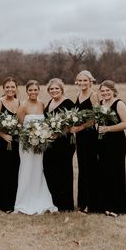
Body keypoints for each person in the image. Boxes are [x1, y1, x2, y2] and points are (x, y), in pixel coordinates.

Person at [14, 80, 58, 215]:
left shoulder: (42, 104)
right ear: (26, 91)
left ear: (39, 90)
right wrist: (29, 136)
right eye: (30, 90)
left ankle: (41, 199)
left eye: (35, 90)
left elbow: (44, 124)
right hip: (26, 144)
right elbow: (19, 126)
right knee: (27, 168)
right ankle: (23, 202)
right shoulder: (23, 106)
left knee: (38, 169)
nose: (33, 92)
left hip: (40, 144)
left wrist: (41, 136)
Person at [98, 80, 126, 217]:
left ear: (113, 91)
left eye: (107, 91)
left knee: (116, 173)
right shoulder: (101, 104)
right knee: (106, 174)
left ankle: (119, 207)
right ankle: (108, 205)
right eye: (103, 91)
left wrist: (107, 128)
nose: (105, 93)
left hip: (116, 143)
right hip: (103, 143)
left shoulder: (119, 103)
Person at [43, 78, 75, 211]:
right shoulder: (50, 102)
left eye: (57, 88)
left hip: (65, 143)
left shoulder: (68, 103)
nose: (54, 91)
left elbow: (72, 124)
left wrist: (58, 133)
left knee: (64, 171)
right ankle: (54, 201)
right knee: (50, 170)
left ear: (62, 89)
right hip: (50, 143)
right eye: (51, 89)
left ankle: (66, 204)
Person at [72, 70, 100, 213]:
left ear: (90, 81)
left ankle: (92, 203)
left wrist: (80, 127)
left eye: (85, 81)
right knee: (82, 168)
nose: (82, 83)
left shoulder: (93, 95)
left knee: (90, 168)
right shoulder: (79, 95)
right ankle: (82, 203)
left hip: (90, 136)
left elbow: (96, 118)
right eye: (80, 81)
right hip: (80, 137)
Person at [0, 77, 20, 213]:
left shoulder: (20, 102)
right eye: (7, 87)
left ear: (16, 88)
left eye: (12, 87)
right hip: (1, 143)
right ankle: (2, 203)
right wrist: (4, 136)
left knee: (14, 171)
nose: (10, 89)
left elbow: (21, 122)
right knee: (3, 171)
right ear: (3, 89)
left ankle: (14, 201)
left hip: (16, 142)